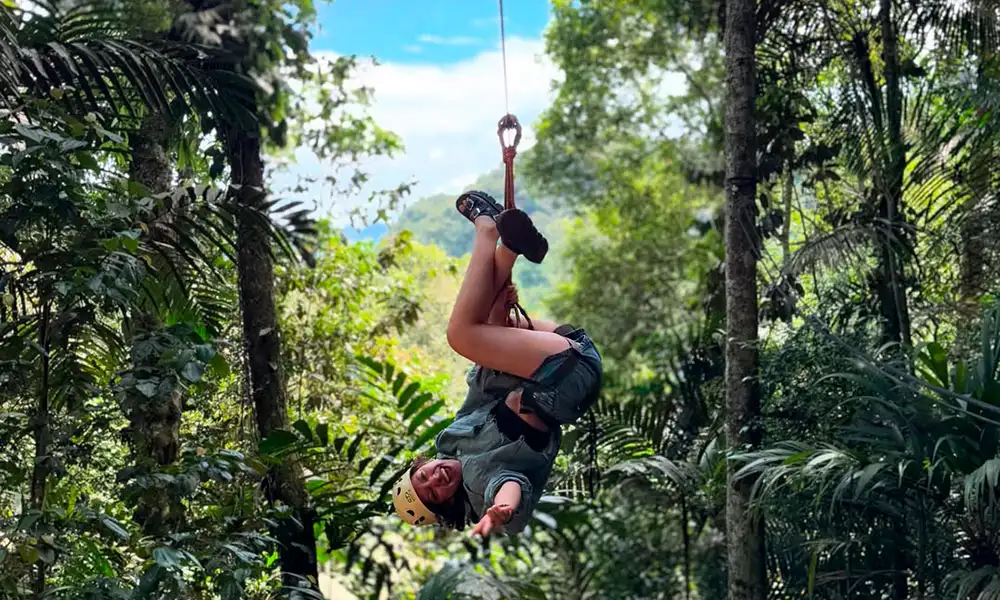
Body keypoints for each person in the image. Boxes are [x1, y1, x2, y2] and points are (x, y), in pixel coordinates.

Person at [390, 191, 603, 538]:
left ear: (423, 463)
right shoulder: (479, 485)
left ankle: (509, 249)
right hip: (564, 378)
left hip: (562, 352)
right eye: (433, 494)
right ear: (448, 503)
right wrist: (502, 509)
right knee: (460, 335)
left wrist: (499, 316)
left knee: (480, 335)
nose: (435, 479)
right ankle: (487, 229)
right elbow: (508, 485)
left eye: (423, 476)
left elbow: (484, 384)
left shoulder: (453, 440)